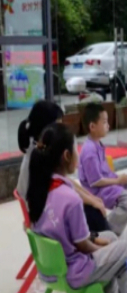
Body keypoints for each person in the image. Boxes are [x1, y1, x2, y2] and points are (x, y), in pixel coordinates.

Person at [27, 123, 127, 293]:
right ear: (66, 156)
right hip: (75, 271)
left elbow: (64, 234)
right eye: (75, 150)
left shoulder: (37, 190)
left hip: (51, 270)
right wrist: (101, 247)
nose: (78, 155)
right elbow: (83, 246)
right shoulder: (70, 199)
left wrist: (98, 239)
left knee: (111, 237)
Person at [17, 100, 109, 233]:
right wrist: (91, 201)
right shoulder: (40, 157)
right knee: (92, 214)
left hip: (43, 214)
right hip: (47, 219)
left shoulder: (38, 150)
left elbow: (65, 180)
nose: (60, 128)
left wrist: (91, 197)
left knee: (92, 210)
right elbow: (65, 188)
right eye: (58, 124)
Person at [79, 103, 127, 236]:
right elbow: (95, 182)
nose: (108, 125)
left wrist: (118, 179)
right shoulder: (89, 151)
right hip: (98, 191)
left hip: (109, 183)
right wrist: (118, 181)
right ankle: (107, 231)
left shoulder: (98, 144)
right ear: (92, 127)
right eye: (104, 122)